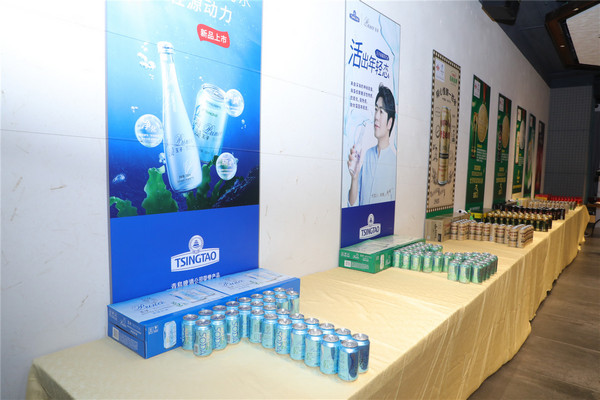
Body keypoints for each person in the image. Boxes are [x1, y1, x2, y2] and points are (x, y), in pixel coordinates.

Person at [348, 84, 397, 206]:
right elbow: (353, 203)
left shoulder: (394, 163)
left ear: (389, 123)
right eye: (375, 109)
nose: (376, 117)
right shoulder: (368, 155)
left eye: (381, 111)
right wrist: (354, 177)